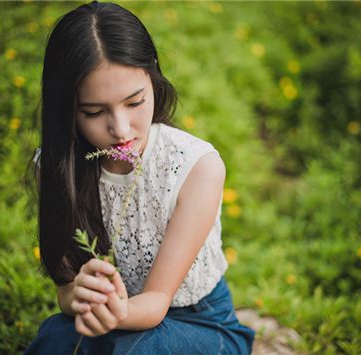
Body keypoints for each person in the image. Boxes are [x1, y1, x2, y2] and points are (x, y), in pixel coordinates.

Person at [25, 1, 255, 354]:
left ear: (154, 80)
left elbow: (157, 301)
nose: (120, 130)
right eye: (94, 112)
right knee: (55, 339)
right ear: (67, 109)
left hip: (201, 320)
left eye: (134, 103)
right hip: (118, 317)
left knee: (135, 351)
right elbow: (66, 293)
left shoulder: (196, 167)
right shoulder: (57, 167)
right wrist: (82, 298)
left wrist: (113, 314)